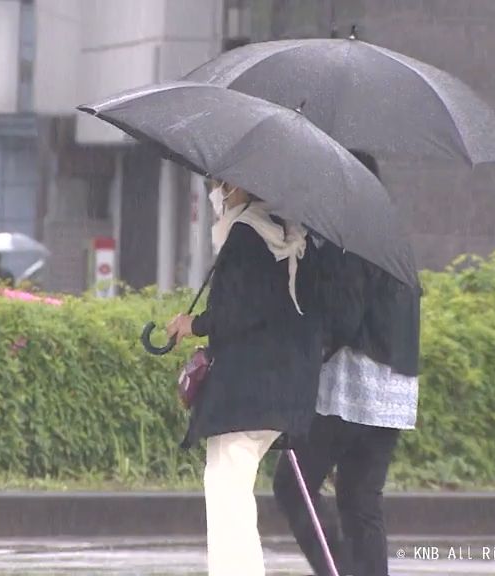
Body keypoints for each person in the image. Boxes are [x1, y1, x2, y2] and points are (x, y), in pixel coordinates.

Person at [272, 151, 421, 576]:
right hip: (394, 390)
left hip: (353, 386)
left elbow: (343, 315)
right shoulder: (390, 234)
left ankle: (335, 569)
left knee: (293, 486)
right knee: (360, 499)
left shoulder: (351, 238)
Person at [166, 179, 323, 576]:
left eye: (217, 183)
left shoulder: (245, 234)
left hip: (244, 391)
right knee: (235, 488)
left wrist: (194, 323)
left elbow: (236, 313)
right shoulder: (296, 236)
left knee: (227, 491)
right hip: (287, 389)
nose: (215, 192)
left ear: (236, 186)